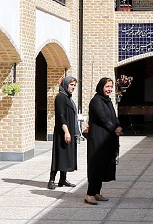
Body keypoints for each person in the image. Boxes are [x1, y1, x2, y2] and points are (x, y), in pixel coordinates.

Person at [85, 77, 122, 205]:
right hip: (97, 139)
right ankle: (89, 194)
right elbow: (103, 118)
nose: (109, 89)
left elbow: (113, 117)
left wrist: (118, 126)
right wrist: (114, 129)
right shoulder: (96, 101)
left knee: (103, 165)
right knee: (96, 165)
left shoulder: (108, 101)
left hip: (106, 138)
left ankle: (97, 192)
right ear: (101, 87)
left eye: (111, 87)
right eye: (107, 86)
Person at [48, 76, 79, 189]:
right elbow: (61, 116)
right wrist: (66, 132)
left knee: (65, 155)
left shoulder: (68, 97)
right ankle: (51, 180)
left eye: (74, 85)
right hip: (62, 131)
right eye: (71, 85)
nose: (73, 87)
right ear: (65, 85)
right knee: (59, 155)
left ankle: (62, 179)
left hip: (69, 130)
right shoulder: (60, 97)